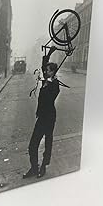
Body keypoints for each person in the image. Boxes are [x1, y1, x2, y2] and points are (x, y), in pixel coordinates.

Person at [23, 46, 59, 179]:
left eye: (47, 71)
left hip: (49, 118)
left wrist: (48, 84)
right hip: (42, 118)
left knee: (48, 142)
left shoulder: (55, 85)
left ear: (52, 72)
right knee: (33, 145)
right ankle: (34, 168)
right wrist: (49, 53)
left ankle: (43, 166)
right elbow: (44, 64)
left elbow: (50, 99)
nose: (45, 71)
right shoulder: (46, 78)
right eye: (45, 70)